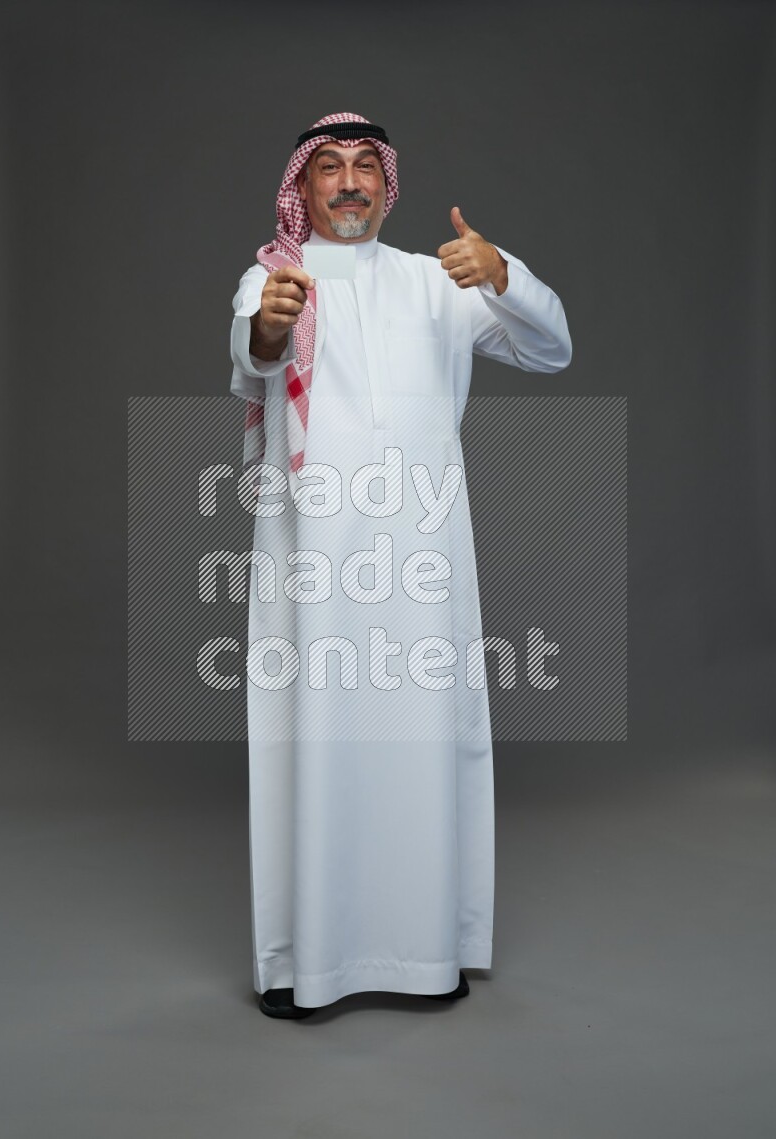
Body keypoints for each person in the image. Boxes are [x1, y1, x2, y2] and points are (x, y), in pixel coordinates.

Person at [229, 112, 571, 1019]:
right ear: (300, 189)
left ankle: (426, 955)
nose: (348, 183)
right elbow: (257, 354)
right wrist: (268, 328)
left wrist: (503, 274)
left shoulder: (436, 283)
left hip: (421, 556)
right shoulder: (275, 279)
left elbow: (550, 347)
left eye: (364, 168)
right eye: (329, 169)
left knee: (424, 742)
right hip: (314, 560)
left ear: (388, 186)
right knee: (320, 740)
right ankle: (312, 962)